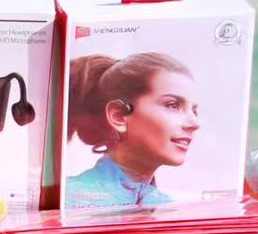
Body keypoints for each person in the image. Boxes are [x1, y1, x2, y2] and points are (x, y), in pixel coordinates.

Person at [64, 52, 200, 209]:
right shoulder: (68, 201)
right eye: (172, 105)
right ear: (119, 115)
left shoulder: (167, 206)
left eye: (194, 110)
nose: (194, 123)